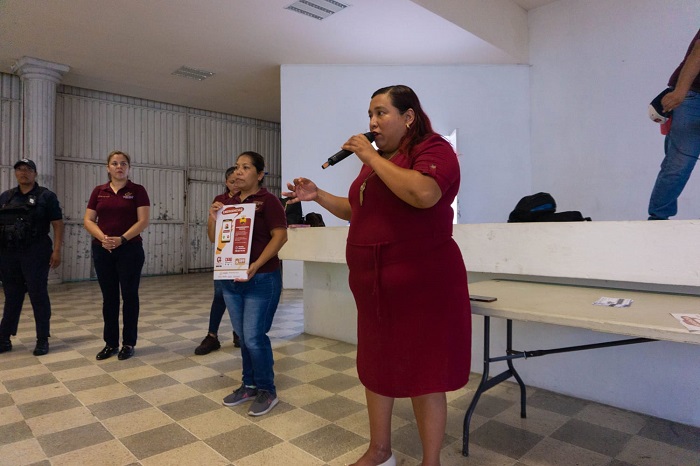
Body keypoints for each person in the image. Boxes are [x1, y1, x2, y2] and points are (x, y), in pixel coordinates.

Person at [284, 85, 471, 466]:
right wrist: (317, 195)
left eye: (381, 113)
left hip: (423, 285)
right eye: (370, 114)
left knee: (425, 372)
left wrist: (370, 155)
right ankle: (380, 451)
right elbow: (358, 211)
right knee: (376, 366)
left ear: (408, 116)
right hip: (375, 288)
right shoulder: (375, 162)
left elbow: (423, 194)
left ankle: (430, 461)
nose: (372, 122)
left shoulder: (434, 150)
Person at [210, 151, 287, 417]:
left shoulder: (269, 201)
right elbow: (214, 238)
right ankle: (249, 385)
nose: (239, 172)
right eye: (237, 167)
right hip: (231, 279)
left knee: (254, 337)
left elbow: (280, 237)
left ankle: (268, 390)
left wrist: (256, 265)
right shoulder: (227, 202)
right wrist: (214, 216)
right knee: (243, 337)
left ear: (260, 174)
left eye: (246, 167)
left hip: (262, 277)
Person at [84, 150, 150, 361]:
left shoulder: (137, 190)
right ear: (108, 167)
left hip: (129, 249)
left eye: (123, 163)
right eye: (114, 163)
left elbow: (143, 221)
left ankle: (128, 343)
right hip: (103, 249)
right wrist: (103, 238)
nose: (119, 167)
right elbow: (88, 220)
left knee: (129, 296)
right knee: (109, 298)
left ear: (129, 168)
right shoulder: (99, 191)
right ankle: (110, 343)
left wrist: (121, 239)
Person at [0, 159, 64, 356]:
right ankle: (4, 338)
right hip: (9, 254)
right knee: (12, 296)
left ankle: (42, 339)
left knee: (38, 295)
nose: (23, 173)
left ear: (35, 174)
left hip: (36, 253)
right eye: (19, 169)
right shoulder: (6, 197)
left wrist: (57, 250)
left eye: (28, 169)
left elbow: (58, 224)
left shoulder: (46, 197)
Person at [648, 29, 700, 220]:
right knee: (680, 163)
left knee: (679, 163)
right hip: (694, 95)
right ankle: (658, 220)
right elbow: (699, 51)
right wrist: (680, 92)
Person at [195, 166, 241, 355]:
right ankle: (212, 335)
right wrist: (212, 217)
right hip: (225, 255)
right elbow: (212, 237)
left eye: (239, 181)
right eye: (232, 182)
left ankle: (239, 332)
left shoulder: (252, 200)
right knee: (220, 295)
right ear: (226, 182)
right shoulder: (220, 201)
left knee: (243, 295)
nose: (236, 185)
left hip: (247, 255)